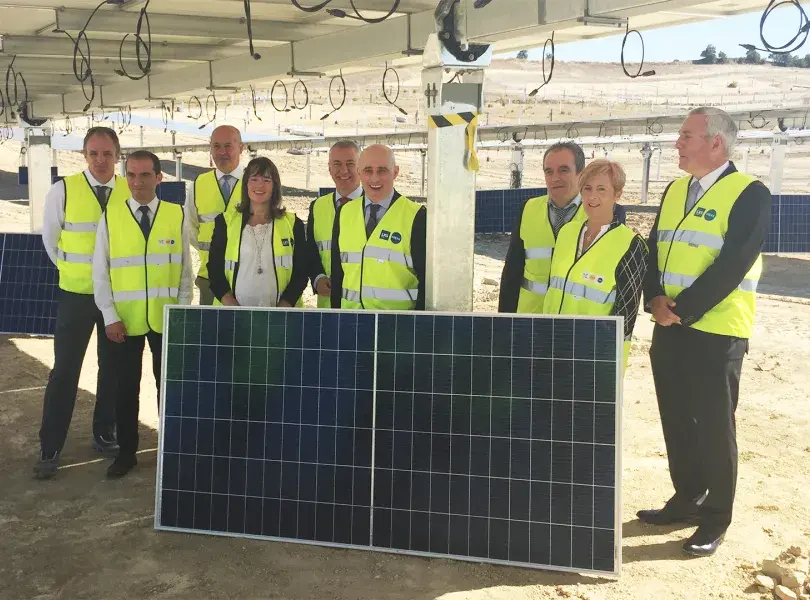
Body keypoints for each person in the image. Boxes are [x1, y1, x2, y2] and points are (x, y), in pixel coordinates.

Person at [639, 107, 772, 557]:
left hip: (716, 331)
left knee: (715, 427)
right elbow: (655, 248)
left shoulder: (749, 192)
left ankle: (716, 519)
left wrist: (684, 310)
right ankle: (687, 498)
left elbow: (734, 263)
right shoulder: (676, 189)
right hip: (669, 326)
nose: (677, 142)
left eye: (685, 135)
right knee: (677, 420)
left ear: (715, 142)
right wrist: (653, 298)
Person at [35, 126, 130, 479]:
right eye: (94, 153)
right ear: (84, 155)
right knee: (65, 373)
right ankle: (50, 445)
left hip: (116, 298)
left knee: (113, 370)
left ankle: (104, 433)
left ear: (117, 155)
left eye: (107, 153)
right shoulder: (63, 190)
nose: (101, 160)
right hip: (75, 297)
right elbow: (51, 240)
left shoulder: (128, 189)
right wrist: (76, 272)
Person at [93, 151, 192, 478]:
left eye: (145, 175)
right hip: (125, 321)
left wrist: (179, 315)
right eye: (132, 175)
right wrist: (109, 315)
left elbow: (184, 273)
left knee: (169, 388)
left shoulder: (176, 215)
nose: (137, 182)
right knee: (125, 389)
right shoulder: (111, 216)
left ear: (159, 177)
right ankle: (127, 453)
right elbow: (100, 271)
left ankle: (172, 451)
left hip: (166, 321)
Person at [543, 159, 647, 368]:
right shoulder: (567, 233)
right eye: (587, 188)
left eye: (601, 189)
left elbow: (626, 317)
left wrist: (606, 366)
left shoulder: (631, 245)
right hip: (551, 344)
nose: (592, 196)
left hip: (593, 355)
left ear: (617, 194)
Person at [499, 142, 593, 313]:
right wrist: (504, 324)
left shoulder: (599, 214)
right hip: (530, 322)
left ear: (581, 173)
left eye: (563, 170)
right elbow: (512, 272)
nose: (555, 178)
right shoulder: (528, 209)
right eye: (548, 171)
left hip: (577, 324)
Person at [331, 144, 426, 310]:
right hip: (351, 323)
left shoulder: (416, 216)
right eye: (368, 170)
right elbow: (338, 274)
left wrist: (414, 330)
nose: (374, 179)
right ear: (359, 172)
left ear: (395, 172)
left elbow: (426, 281)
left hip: (396, 327)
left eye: (382, 170)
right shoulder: (344, 213)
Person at [207, 157, 308, 307]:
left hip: (282, 317)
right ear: (246, 184)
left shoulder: (293, 224)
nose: (260, 185)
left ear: (275, 186)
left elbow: (301, 272)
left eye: (267, 180)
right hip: (232, 316)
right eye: (254, 179)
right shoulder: (225, 222)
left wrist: (283, 307)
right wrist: (232, 307)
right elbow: (215, 270)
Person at [185, 125, 244, 305]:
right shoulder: (199, 184)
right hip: (208, 279)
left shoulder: (256, 182)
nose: (222, 152)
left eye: (228, 146)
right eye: (216, 146)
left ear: (241, 148)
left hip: (246, 278)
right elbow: (191, 228)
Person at [307, 141, 363, 308]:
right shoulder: (317, 206)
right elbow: (311, 250)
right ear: (329, 168)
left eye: (350, 164)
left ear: (360, 167)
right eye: (337, 164)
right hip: (327, 306)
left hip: (363, 307)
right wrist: (318, 278)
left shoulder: (375, 206)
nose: (344, 170)